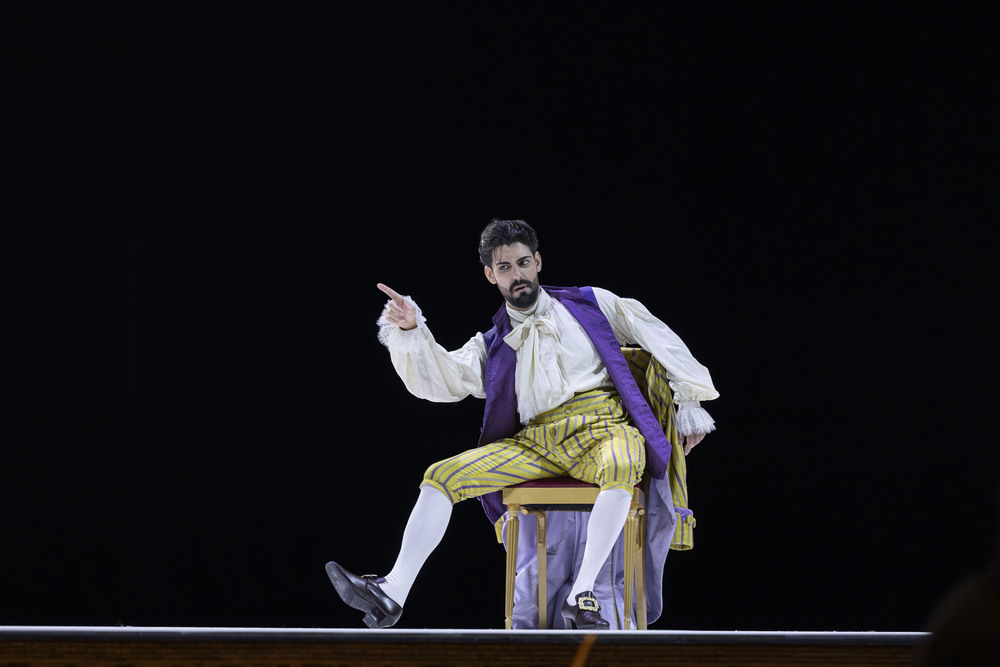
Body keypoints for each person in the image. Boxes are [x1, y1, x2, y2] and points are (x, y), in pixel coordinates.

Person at [325, 219, 718, 629]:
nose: (518, 275)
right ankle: (392, 592)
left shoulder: (589, 304)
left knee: (622, 462)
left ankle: (583, 595)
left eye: (523, 263)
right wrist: (411, 329)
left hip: (603, 429)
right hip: (536, 442)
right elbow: (443, 379)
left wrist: (690, 401)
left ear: (538, 262)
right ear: (490, 275)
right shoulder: (493, 342)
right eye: (506, 268)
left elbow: (656, 333)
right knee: (440, 476)